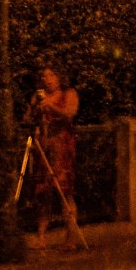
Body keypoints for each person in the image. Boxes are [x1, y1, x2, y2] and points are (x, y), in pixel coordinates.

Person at [25, 65, 83, 251]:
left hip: (62, 147)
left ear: (59, 77)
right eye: (44, 75)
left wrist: (51, 106)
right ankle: (41, 238)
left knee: (64, 191)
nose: (47, 78)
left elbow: (70, 113)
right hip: (44, 148)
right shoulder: (39, 96)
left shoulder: (69, 93)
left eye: (51, 74)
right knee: (43, 192)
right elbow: (27, 119)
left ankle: (70, 238)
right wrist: (35, 108)